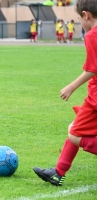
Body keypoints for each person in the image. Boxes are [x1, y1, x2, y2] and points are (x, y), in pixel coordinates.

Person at [33, 0, 97, 186]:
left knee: (74, 134)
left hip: (94, 100)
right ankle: (58, 172)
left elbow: (93, 69)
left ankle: (58, 172)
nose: (80, 23)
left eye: (79, 19)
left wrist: (70, 87)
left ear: (86, 15)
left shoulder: (92, 35)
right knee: (74, 126)